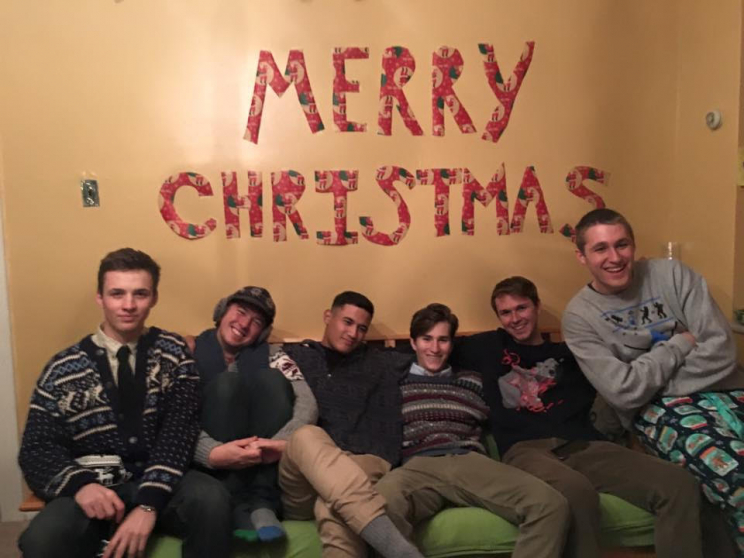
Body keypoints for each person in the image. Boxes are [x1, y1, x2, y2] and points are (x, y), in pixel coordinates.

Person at [455, 276, 704, 558]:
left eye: (521, 308)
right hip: (526, 449)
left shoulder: (572, 351)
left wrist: (678, 339)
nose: (515, 318)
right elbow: (429, 347)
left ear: (537, 306)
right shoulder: (487, 346)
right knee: (575, 491)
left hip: (584, 445)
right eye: (506, 312)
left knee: (678, 483)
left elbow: (630, 354)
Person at [18, 248, 224, 558]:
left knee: (212, 500)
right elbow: (37, 448)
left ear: (153, 297)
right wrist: (81, 486)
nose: (128, 305)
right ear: (99, 297)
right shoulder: (61, 369)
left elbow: (180, 432)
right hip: (94, 486)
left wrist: (148, 503)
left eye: (140, 294)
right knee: (41, 540)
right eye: (117, 294)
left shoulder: (175, 355)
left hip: (163, 480)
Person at [562, 207, 744, 554]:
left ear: (633, 245)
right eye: (600, 249)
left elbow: (721, 350)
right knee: (736, 477)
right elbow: (623, 392)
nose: (614, 258)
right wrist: (682, 342)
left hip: (730, 387)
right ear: (581, 256)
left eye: (622, 244)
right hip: (661, 410)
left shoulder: (672, 274)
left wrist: (645, 377)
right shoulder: (579, 316)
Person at [374, 303, 570, 558]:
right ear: (412, 343)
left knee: (550, 505)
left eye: (443, 340)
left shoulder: (474, 381)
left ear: (452, 344)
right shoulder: (395, 382)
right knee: (377, 507)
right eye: (427, 339)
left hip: (469, 461)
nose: (434, 348)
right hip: (417, 465)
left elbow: (512, 409)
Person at [280, 291, 424, 558]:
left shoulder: (381, 360)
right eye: (347, 322)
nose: (353, 333)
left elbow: (439, 348)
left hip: (364, 462)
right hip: (304, 475)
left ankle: (400, 551)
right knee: (305, 435)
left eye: (361, 328)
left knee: (332, 506)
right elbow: (245, 366)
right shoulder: (295, 356)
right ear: (327, 316)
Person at [188, 286, 317, 543]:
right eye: (241, 312)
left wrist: (280, 443)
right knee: (227, 384)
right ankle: (233, 504)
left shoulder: (274, 355)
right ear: (222, 312)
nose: (244, 324)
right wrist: (213, 452)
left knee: (271, 379)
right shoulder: (189, 349)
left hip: (263, 455)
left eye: (256, 321)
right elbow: (174, 413)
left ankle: (262, 504)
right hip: (212, 460)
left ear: (263, 332)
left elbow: (307, 401)